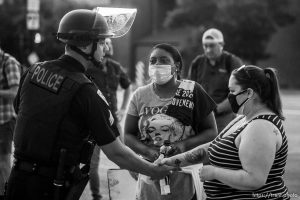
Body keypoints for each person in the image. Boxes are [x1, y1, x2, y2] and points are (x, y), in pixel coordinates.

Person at [5, 9, 173, 200]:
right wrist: (153, 170)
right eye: (101, 43)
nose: (105, 49)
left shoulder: (34, 70)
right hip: (51, 188)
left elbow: (19, 109)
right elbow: (116, 152)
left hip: (17, 181)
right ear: (86, 46)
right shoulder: (85, 90)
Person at [161, 65, 290, 199]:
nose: (229, 96)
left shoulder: (261, 127)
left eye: (233, 91)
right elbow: (211, 148)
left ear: (249, 93)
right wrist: (171, 162)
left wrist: (215, 173)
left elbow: (255, 179)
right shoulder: (243, 118)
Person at [124, 43, 218, 200]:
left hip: (184, 177)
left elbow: (211, 132)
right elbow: (128, 135)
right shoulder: (139, 95)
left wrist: (182, 146)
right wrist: (148, 152)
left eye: (163, 60)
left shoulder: (192, 90)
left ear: (177, 66)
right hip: (150, 174)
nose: (157, 65)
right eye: (153, 61)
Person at [86, 38, 132, 200]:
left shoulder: (116, 67)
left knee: (125, 157)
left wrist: (123, 108)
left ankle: (125, 193)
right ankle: (97, 196)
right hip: (93, 122)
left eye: (110, 44)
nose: (108, 46)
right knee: (92, 164)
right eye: (104, 43)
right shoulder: (88, 68)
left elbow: (128, 87)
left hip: (114, 121)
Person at [188, 28, 243, 133]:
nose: (208, 49)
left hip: (225, 118)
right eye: (205, 46)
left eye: (212, 45)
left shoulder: (232, 62)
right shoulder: (197, 63)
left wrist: (216, 109)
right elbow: (190, 90)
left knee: (221, 147)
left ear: (221, 44)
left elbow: (238, 93)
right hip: (201, 118)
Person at [0, 47, 20, 199]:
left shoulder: (9, 62)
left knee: (3, 162)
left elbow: (14, 93)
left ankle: (8, 195)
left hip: (5, 120)